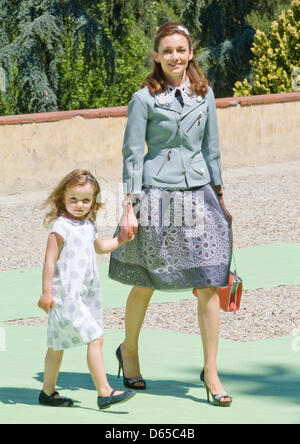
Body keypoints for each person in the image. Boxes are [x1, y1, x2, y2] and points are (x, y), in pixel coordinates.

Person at [109, 22, 233, 407]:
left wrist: (221, 197)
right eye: (167, 51)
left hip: (198, 195)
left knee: (211, 280)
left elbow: (212, 149)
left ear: (190, 52)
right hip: (155, 195)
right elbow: (132, 155)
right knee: (146, 279)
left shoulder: (205, 94)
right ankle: (128, 352)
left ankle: (210, 371)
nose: (175, 57)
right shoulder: (143, 99)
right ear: (157, 56)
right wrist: (129, 207)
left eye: (181, 50)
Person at [37, 169, 136, 410]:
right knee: (96, 337)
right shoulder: (60, 226)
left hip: (83, 296)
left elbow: (101, 247)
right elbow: (49, 260)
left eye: (85, 200)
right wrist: (46, 292)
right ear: (63, 198)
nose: (79, 205)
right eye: (73, 199)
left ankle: (47, 392)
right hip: (65, 296)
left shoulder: (88, 225)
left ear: (93, 201)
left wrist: (121, 240)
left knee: (56, 345)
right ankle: (104, 392)